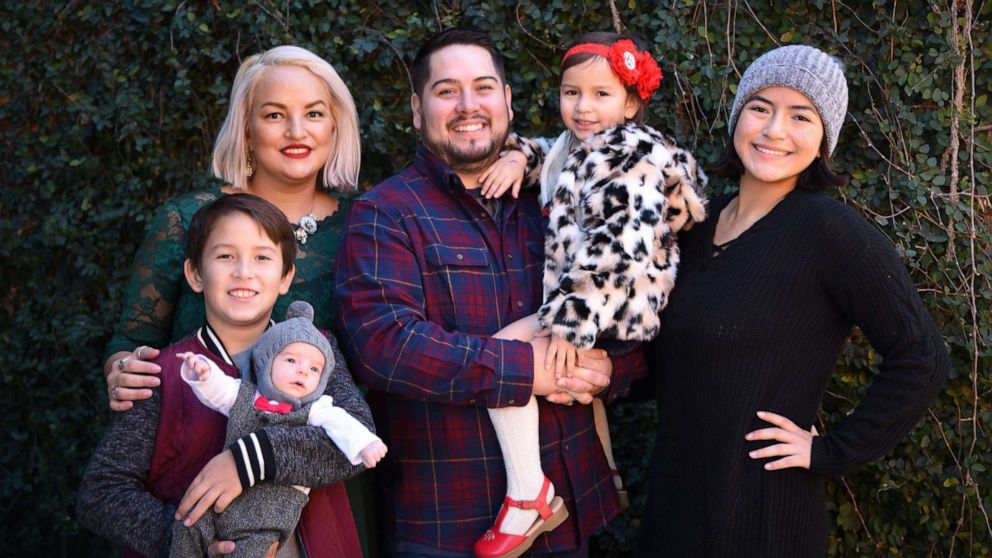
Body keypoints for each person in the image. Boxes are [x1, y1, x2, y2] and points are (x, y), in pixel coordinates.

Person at [334, 28, 645, 558]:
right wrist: (527, 370)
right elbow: (385, 347)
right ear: (416, 108)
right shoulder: (386, 213)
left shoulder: (559, 196)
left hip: (572, 518)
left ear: (506, 100)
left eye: (482, 87)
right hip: (447, 526)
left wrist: (612, 371)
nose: (468, 105)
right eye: (446, 90)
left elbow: (631, 304)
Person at [636, 44, 950, 557]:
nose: (773, 130)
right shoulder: (693, 226)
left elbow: (922, 357)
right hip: (673, 509)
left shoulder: (831, 234)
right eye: (760, 107)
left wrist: (830, 451)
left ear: (825, 138)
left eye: (800, 116)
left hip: (762, 520)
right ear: (738, 115)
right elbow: (669, 361)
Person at [97, 45, 378, 554]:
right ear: (246, 128)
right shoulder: (191, 221)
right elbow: (133, 341)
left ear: (336, 126)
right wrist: (123, 368)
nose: (297, 131)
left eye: (314, 113)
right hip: (191, 478)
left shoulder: (368, 225)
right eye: (275, 115)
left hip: (315, 482)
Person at [471, 31, 707, 555]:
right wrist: (518, 156)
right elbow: (551, 155)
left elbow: (616, 252)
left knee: (504, 359)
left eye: (601, 95)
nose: (582, 107)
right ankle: (607, 469)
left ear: (630, 102)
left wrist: (568, 328)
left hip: (608, 307)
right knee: (568, 386)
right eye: (570, 92)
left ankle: (527, 493)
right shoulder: (583, 144)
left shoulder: (631, 158)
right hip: (591, 304)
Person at [78, 194, 373, 557]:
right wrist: (190, 541)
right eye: (225, 256)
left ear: (285, 277)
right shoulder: (166, 373)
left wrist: (248, 460)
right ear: (195, 274)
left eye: (262, 257)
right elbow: (102, 492)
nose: (243, 271)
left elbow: (359, 442)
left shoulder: (317, 352)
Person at [171, 299, 386, 557]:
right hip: (219, 506)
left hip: (269, 517)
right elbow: (220, 390)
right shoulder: (247, 395)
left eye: (314, 368)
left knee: (253, 552)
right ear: (266, 361)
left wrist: (366, 444)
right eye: (291, 360)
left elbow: (344, 425)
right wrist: (203, 374)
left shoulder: (317, 409)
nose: (302, 371)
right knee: (187, 528)